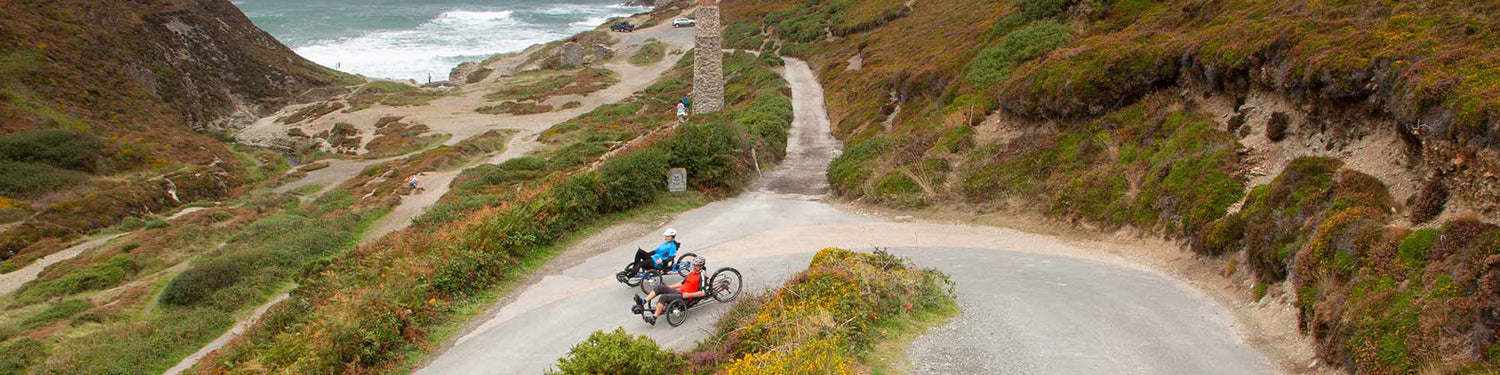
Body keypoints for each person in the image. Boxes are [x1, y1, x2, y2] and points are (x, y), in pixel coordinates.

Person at [635, 257, 706, 325]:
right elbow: (681, 283)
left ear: (701, 267)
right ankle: (643, 301)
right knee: (660, 287)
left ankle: (654, 319)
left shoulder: (701, 276)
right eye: (694, 265)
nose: (694, 267)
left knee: (664, 297)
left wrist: (688, 295)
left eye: (696, 266)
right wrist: (669, 287)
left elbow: (702, 293)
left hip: (685, 297)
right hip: (680, 292)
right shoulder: (691, 273)